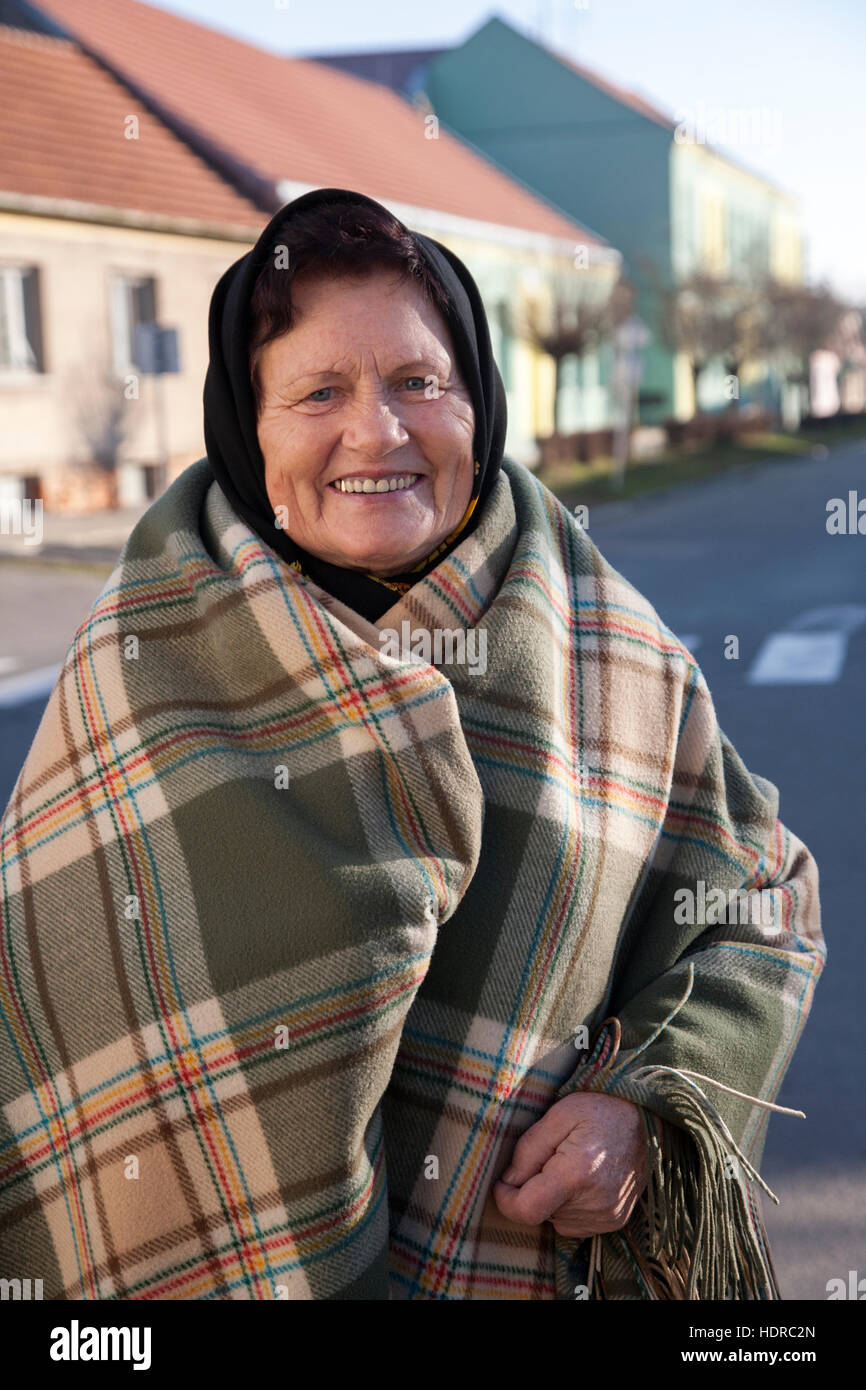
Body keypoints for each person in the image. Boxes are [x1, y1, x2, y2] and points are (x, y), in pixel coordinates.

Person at [0, 188, 824, 1301]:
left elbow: (762, 903)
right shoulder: (137, 658)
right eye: (318, 392)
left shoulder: (613, 651)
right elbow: (40, 1010)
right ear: (247, 424)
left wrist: (648, 1108)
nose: (376, 431)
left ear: (476, 400)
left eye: (418, 382)